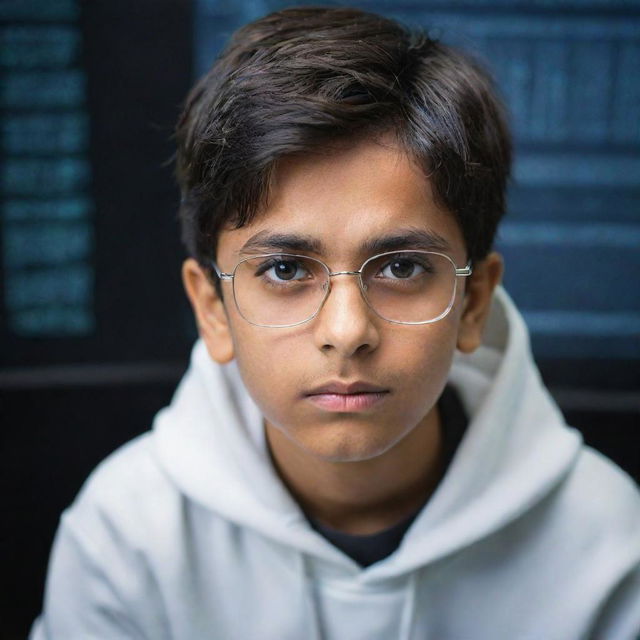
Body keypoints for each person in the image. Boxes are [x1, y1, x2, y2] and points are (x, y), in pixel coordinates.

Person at [31, 7, 640, 639]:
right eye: (287, 271)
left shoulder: (608, 543)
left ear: (475, 303)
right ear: (211, 308)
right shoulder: (126, 538)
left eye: (401, 267)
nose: (347, 332)